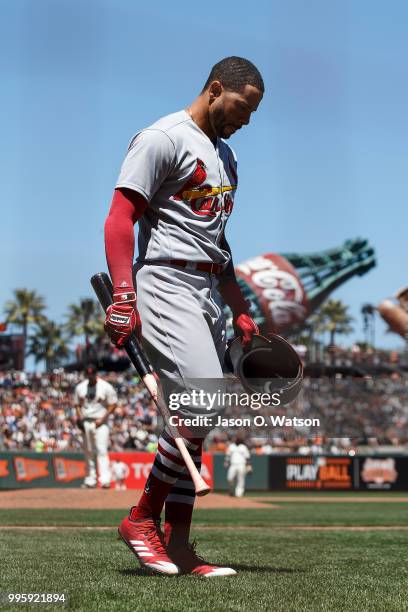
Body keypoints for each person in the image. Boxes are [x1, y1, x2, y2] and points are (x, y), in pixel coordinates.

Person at [104, 56, 264, 576]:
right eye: (242, 107)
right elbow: (120, 216)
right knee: (204, 402)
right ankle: (141, 519)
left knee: (193, 421)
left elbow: (219, 243)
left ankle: (179, 546)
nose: (246, 119)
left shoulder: (228, 157)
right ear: (215, 89)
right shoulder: (162, 138)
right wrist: (123, 295)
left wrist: (239, 309)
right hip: (167, 279)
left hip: (209, 289)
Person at [74, 365, 117, 488]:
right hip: (86, 421)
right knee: (88, 451)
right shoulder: (80, 387)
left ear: (96, 374)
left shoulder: (105, 387)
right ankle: (90, 480)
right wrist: (79, 417)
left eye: (92, 374)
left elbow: (113, 404)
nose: (90, 376)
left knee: (101, 450)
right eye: (88, 374)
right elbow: (77, 404)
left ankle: (104, 480)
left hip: (101, 422)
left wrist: (103, 418)